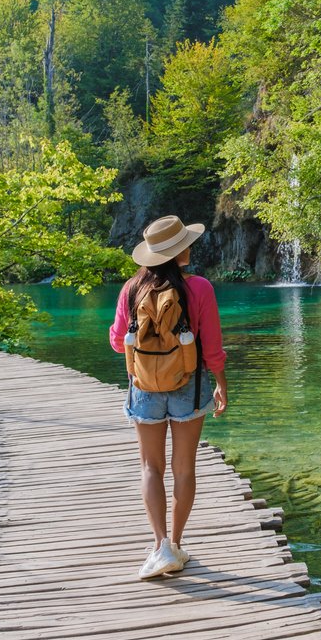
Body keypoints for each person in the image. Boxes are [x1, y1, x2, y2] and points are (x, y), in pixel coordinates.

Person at [109, 215, 228, 579]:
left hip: (143, 387)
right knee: (184, 468)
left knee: (150, 468)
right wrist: (222, 383)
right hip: (189, 386)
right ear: (180, 252)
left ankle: (159, 545)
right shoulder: (200, 289)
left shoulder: (131, 289)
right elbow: (212, 346)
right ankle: (175, 545)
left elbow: (117, 342)